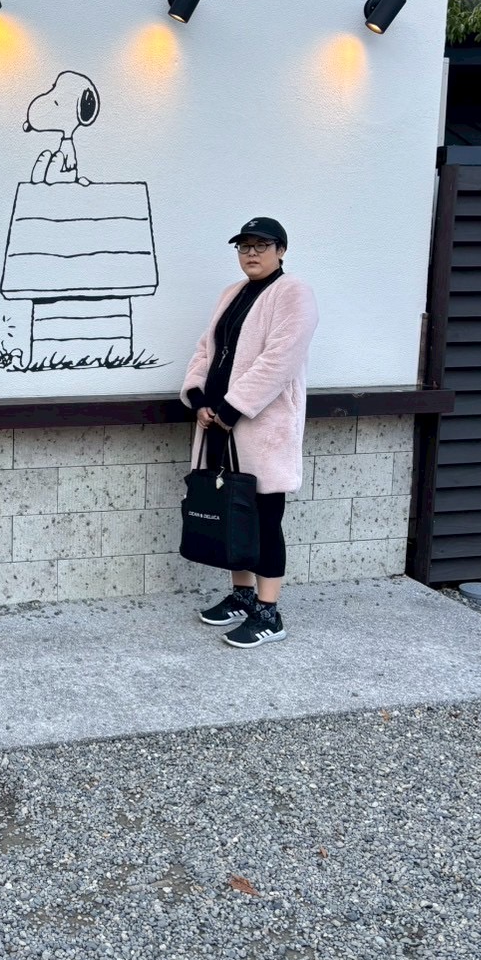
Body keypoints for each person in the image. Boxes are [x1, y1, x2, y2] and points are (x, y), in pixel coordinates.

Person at [180, 216, 318, 648]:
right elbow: (206, 349)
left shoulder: (292, 292)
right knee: (231, 513)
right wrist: (198, 397)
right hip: (218, 424)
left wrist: (232, 407)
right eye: (244, 246)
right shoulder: (232, 293)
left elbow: (280, 358)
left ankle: (269, 612)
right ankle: (242, 596)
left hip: (259, 427)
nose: (251, 253)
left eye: (262, 245)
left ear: (281, 251)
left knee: (264, 517)